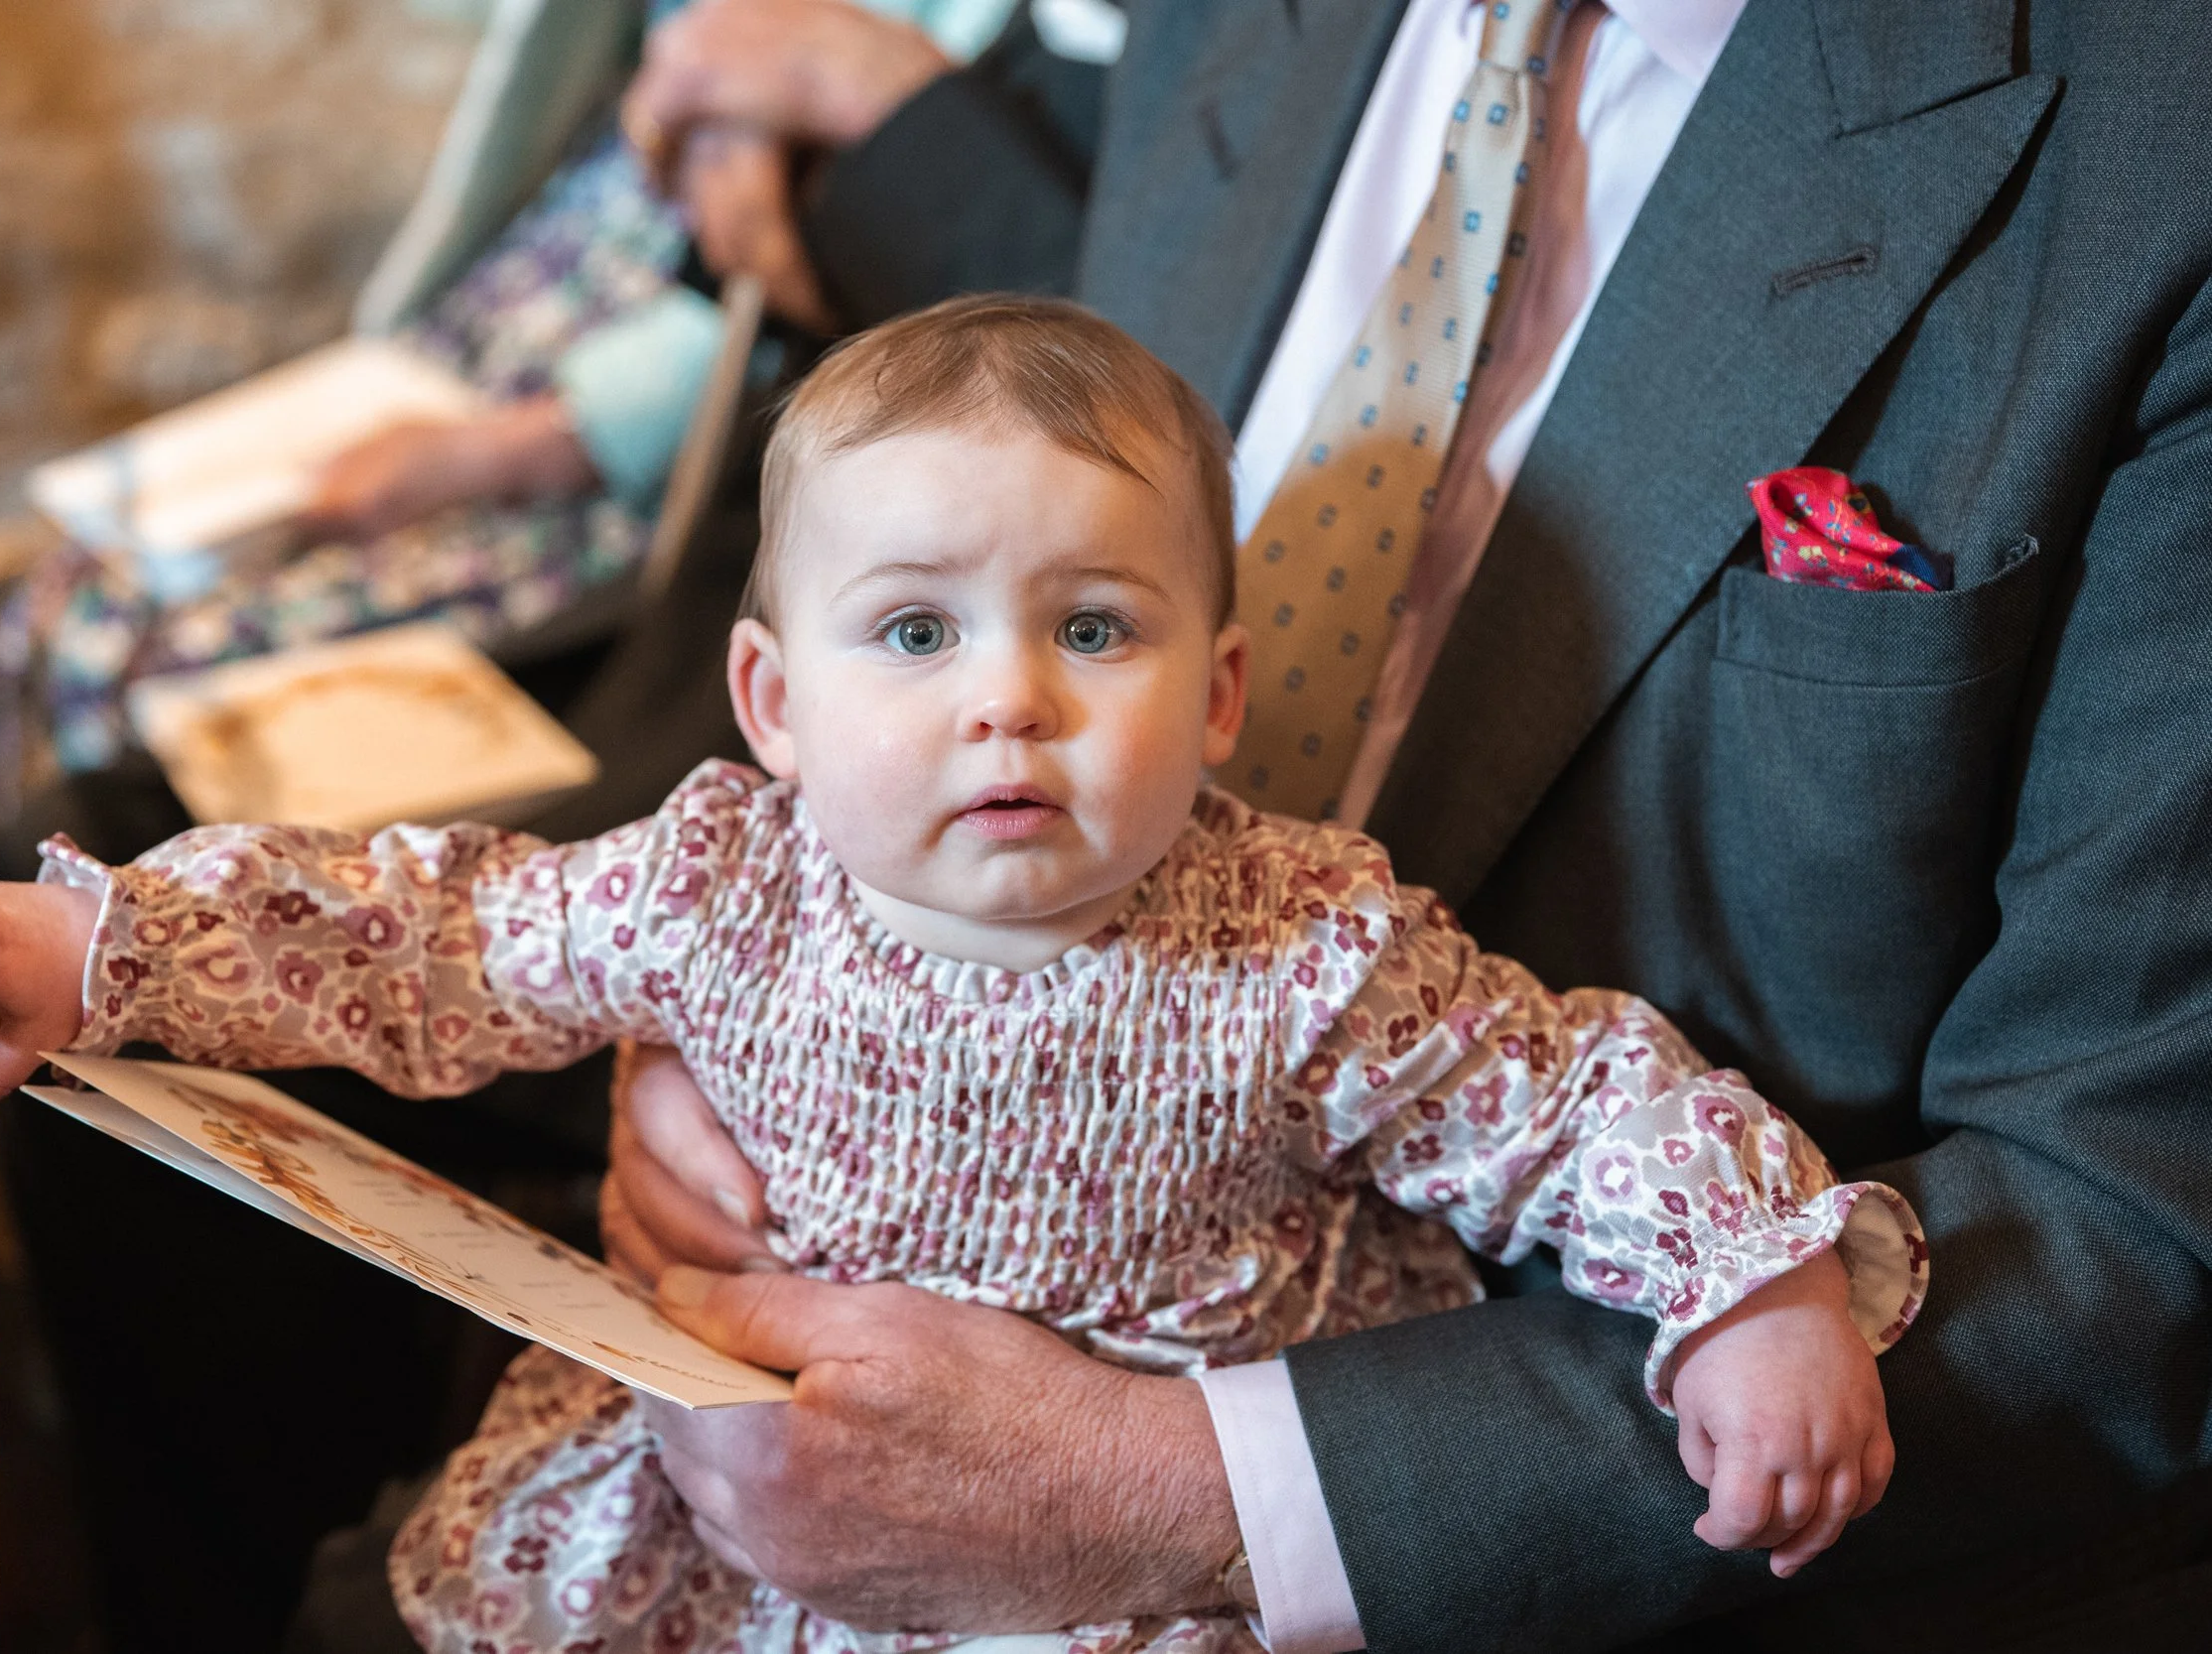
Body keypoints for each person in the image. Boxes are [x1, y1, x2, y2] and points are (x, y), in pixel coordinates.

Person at [0, 299, 1921, 1651]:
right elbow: (432, 929)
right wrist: (95, 939)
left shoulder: (1307, 942)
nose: (1004, 701)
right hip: (725, 1505)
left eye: (1088, 629)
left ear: (1214, 693)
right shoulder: (717, 880)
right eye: (912, 633)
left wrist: (1740, 1283)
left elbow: (1557, 1100)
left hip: (1112, 1561)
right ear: (771, 694)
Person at [582, 0, 2212, 1648]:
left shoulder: (2165, 145)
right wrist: (747, 1004)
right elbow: (1099, 460)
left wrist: (1186, 1489)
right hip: (792, 1357)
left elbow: (2136, 1217)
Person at [7, 0, 1021, 776]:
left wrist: (491, 451)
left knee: (136, 653)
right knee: (51, 593)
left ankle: (116, 991)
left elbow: (816, 290)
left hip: (630, 433)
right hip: (522, 307)